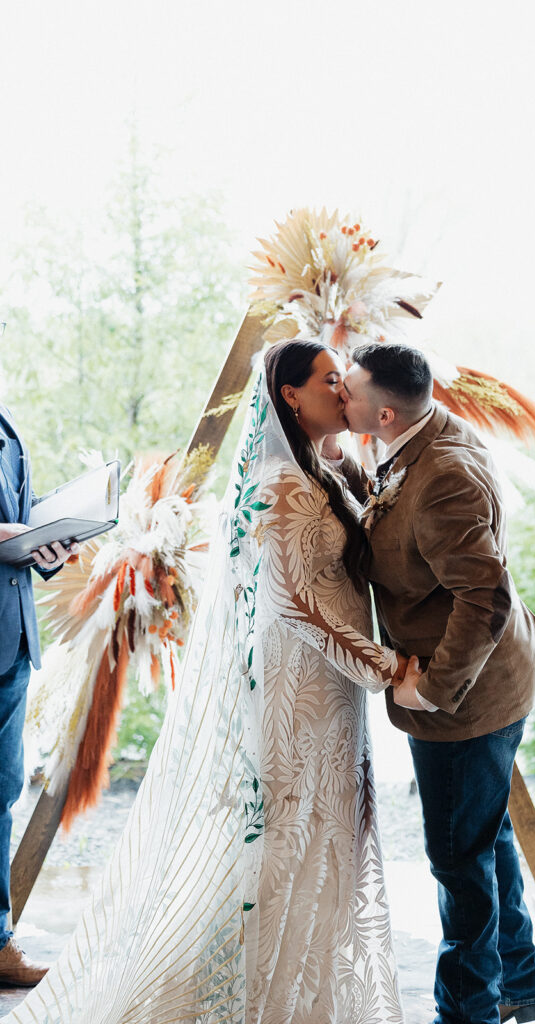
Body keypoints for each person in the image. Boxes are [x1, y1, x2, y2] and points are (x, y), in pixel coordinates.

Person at [4, 340, 420, 1024]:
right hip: (299, 690)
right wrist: (387, 668)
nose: (341, 392)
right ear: (288, 394)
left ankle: (308, 994)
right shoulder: (274, 486)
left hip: (330, 690)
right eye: (327, 381)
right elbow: (293, 604)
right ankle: (254, 998)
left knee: (323, 839)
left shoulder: (314, 469)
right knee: (285, 843)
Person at [339, 343, 535, 1024]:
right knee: (483, 835)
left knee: (457, 860)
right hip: (487, 674)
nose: (337, 396)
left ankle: (467, 1013)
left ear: (380, 410)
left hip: (470, 695)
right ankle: (522, 986)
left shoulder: (443, 476)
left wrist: (430, 690)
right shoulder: (410, 431)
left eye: (345, 389)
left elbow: (483, 600)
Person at [0, 403, 78, 987]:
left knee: (1, 793)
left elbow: (16, 517)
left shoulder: (7, 423)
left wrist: (49, 546)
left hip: (12, 637)